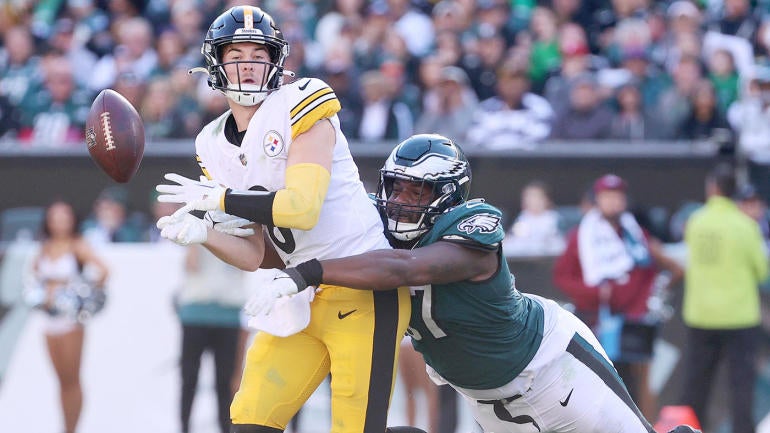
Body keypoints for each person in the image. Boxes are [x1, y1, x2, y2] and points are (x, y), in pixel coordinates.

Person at [242, 134, 698, 433]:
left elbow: (406, 269)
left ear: (448, 195)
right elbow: (280, 249)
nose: (400, 201)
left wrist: (309, 272)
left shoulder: (474, 224)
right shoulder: (373, 229)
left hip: (552, 368)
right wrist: (227, 225)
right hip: (488, 402)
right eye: (395, 187)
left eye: (417, 191)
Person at [152, 6, 412, 433]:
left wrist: (223, 199)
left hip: (362, 285)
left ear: (276, 62)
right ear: (215, 64)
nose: (248, 64)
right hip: (297, 292)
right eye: (236, 55)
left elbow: (302, 208)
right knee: (250, 421)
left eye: (259, 54)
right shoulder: (211, 143)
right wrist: (206, 234)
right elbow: (254, 253)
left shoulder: (302, 100)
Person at [552, 174, 683, 420]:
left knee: (635, 388)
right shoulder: (582, 236)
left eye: (618, 197)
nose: (613, 202)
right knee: (595, 386)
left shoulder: (636, 234)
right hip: (595, 323)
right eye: (607, 197)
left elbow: (660, 268)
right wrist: (597, 294)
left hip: (633, 325)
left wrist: (648, 299)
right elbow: (562, 277)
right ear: (598, 200)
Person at [680, 163, 768, 433]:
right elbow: (762, 271)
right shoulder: (746, 226)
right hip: (739, 317)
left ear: (712, 188)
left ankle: (687, 430)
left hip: (701, 315)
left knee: (696, 386)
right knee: (741, 387)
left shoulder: (695, 222)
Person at [26, 200, 109, 433]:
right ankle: (65, 426)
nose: (60, 222)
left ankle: (71, 429)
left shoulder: (78, 245)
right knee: (61, 380)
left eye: (64, 217)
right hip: (49, 320)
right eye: (55, 218)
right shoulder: (44, 247)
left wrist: (78, 290)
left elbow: (104, 271)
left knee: (72, 379)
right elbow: (34, 276)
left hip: (70, 321)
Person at [177, 245, 248, 433]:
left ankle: (226, 428)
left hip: (228, 315)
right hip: (196, 312)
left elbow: (245, 265)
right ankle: (184, 427)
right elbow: (191, 264)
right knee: (189, 379)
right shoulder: (194, 228)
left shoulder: (239, 231)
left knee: (225, 382)